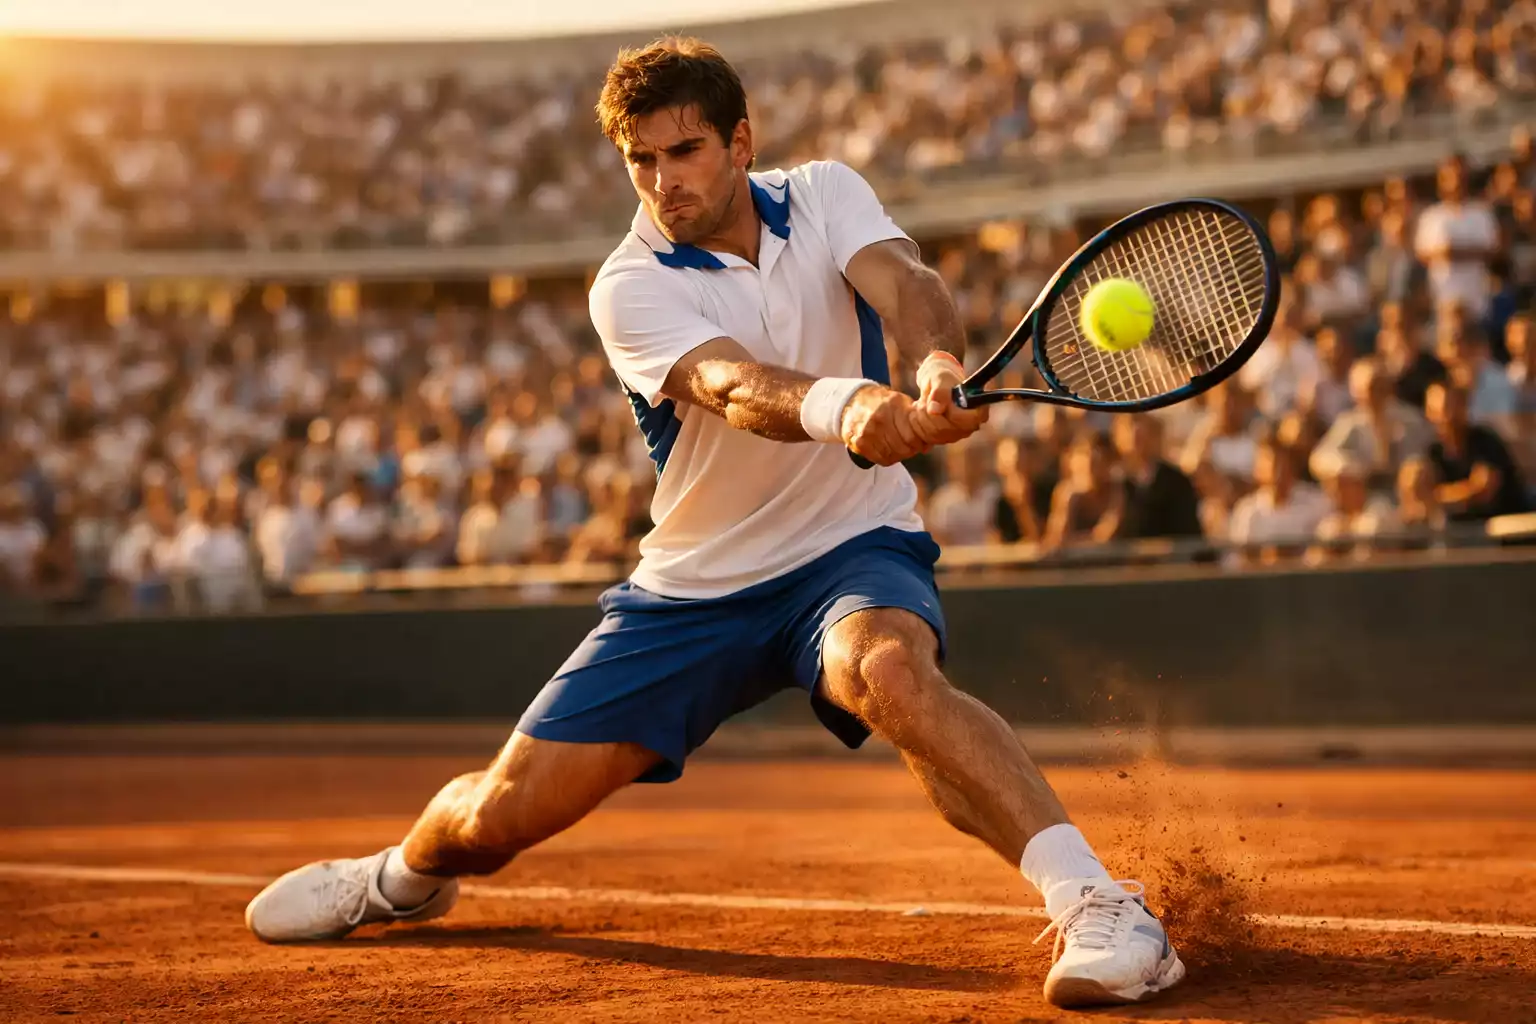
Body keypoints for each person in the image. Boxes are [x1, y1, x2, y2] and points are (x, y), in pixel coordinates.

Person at [244, 38, 1186, 1009]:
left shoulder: (823, 193)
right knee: (494, 819)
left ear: (741, 143)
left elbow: (907, 282)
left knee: (892, 674)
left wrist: (937, 365)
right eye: (641, 160)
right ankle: (397, 878)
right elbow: (732, 386)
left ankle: (1101, 905)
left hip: (849, 546)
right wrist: (851, 407)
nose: (664, 181)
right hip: (693, 589)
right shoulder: (629, 283)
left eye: (684, 151)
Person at [1424, 381, 1530, 523]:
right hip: (1458, 529)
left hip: (1504, 525)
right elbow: (1421, 497)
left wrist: (1439, 496)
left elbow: (1483, 490)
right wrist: (1464, 489)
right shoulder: (1433, 451)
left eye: (1453, 406)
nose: (1448, 417)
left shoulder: (1484, 441)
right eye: (1440, 410)